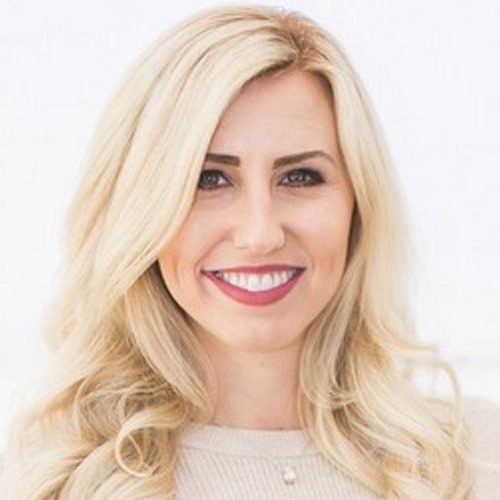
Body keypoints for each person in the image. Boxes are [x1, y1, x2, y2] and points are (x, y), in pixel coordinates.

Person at [1, 4, 500, 499]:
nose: (260, 234)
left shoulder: (478, 457)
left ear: (358, 204)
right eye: (209, 179)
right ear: (140, 207)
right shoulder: (41, 473)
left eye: (300, 177)